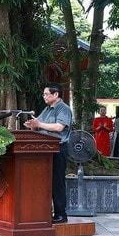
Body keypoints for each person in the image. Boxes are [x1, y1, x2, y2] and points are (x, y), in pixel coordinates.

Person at [25, 83, 72, 224]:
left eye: (46, 94)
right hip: (44, 150)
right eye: (44, 94)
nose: (44, 96)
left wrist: (39, 124)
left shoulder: (63, 108)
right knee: (45, 181)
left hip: (58, 149)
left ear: (56, 94)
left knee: (57, 182)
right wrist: (33, 125)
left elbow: (59, 127)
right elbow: (38, 123)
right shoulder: (47, 109)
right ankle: (43, 212)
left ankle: (61, 214)